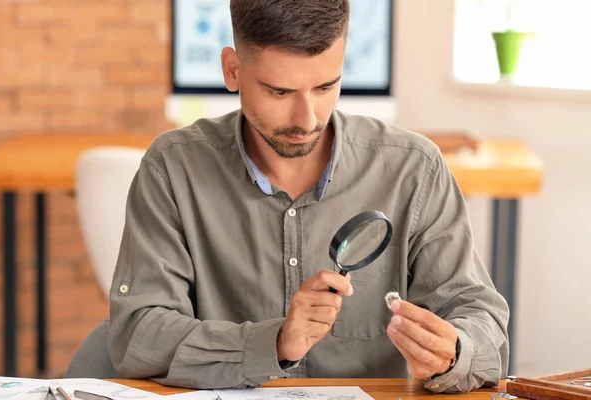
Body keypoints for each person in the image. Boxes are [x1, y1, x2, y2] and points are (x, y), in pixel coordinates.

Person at [107, 0, 509, 393]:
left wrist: (454, 353)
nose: (308, 119)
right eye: (280, 92)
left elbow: (481, 319)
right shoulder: (173, 168)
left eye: (325, 87)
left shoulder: (415, 169)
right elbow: (137, 333)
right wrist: (274, 343)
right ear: (233, 70)